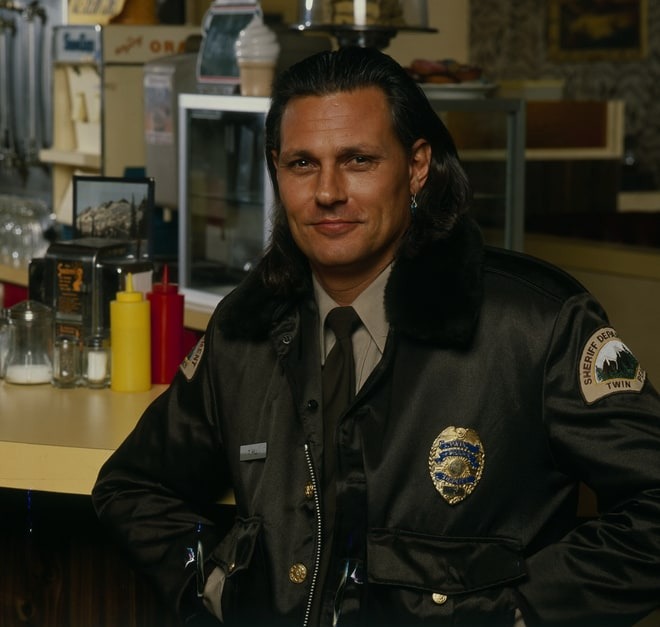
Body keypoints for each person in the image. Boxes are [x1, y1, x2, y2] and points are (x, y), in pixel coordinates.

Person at [92, 46, 660, 626]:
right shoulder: (245, 328)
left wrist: (518, 614)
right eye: (302, 164)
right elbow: (133, 486)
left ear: (417, 166)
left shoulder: (535, 322)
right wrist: (214, 586)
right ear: (276, 170)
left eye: (358, 160)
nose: (328, 192)